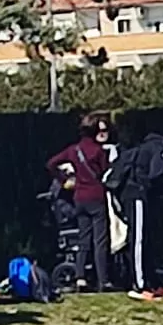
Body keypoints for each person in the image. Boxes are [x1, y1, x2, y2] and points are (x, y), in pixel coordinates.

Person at [112, 128, 163, 300]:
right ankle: (139, 285)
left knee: (147, 240)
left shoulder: (150, 146)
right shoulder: (161, 150)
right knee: (138, 239)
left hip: (140, 196)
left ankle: (152, 282)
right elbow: (154, 175)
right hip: (136, 195)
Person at [46, 113, 113, 296]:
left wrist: (64, 180)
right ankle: (103, 279)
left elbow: (51, 163)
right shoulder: (98, 151)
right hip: (96, 196)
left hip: (79, 196)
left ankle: (80, 276)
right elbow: (105, 171)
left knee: (83, 239)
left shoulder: (73, 150)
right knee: (100, 240)